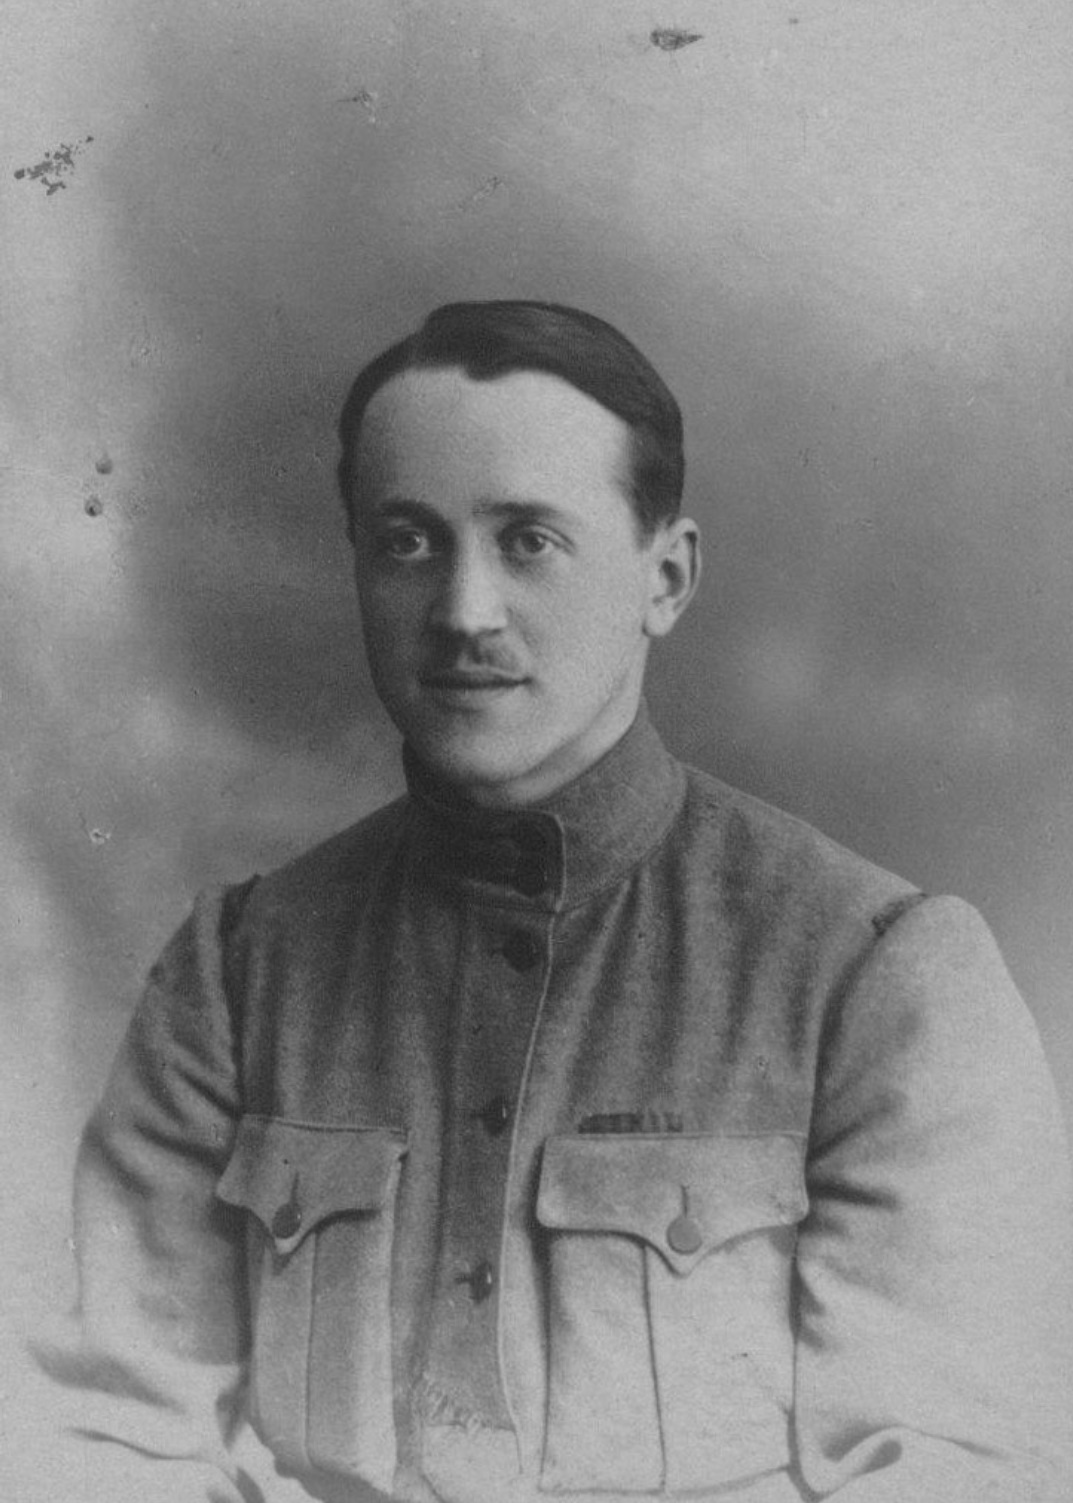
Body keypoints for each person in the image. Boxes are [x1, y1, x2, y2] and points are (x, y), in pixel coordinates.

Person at [40, 301, 1073, 1502]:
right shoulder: (236, 972)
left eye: (527, 541)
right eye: (408, 542)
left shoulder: (877, 978)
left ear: (664, 578)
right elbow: (113, 1435)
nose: (462, 612)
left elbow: (956, 1466)